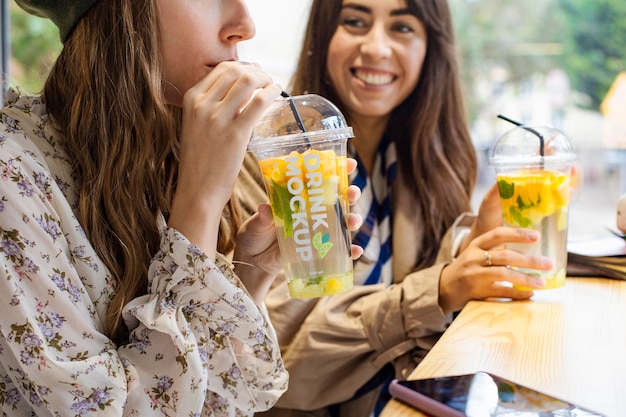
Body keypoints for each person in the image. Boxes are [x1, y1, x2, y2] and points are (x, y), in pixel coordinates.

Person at [0, 0, 366, 415]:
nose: (244, 26)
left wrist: (251, 272)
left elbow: (211, 397)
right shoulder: (10, 177)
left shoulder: (144, 152)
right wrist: (201, 200)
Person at [237, 0, 554, 416]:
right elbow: (273, 351)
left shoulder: (435, 158)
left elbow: (434, 303)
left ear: (430, 49)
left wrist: (476, 241)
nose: (376, 48)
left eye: (402, 27)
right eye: (354, 21)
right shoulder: (267, 160)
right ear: (322, 35)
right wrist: (435, 292)